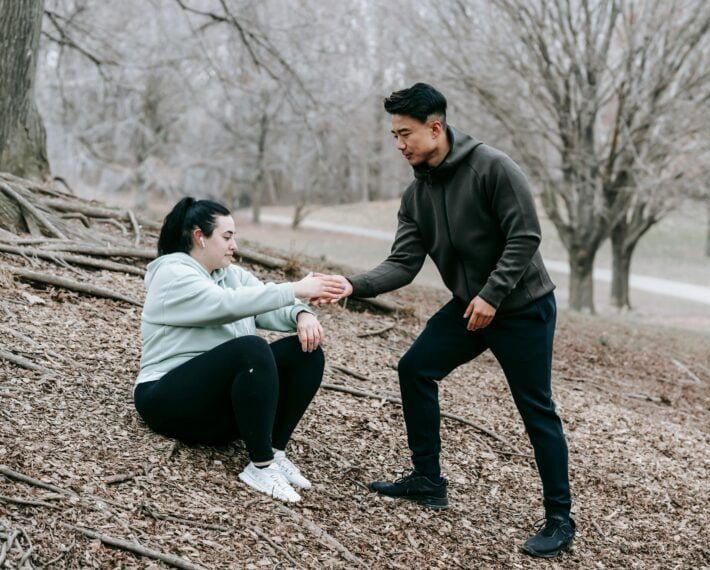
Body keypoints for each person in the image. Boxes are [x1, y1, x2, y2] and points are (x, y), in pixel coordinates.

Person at [327, 83, 574, 557]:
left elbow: (525, 236)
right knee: (415, 368)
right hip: (469, 306)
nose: (399, 145)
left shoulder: (494, 168)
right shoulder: (417, 195)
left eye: (406, 134)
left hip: (523, 308)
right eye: (394, 135)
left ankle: (560, 520)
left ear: (435, 128)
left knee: (535, 409)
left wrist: (492, 295)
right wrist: (351, 285)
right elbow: (402, 263)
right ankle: (427, 480)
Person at [135, 197, 346, 503]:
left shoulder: (229, 275)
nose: (234, 245)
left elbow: (264, 300)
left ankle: (273, 452)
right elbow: (224, 305)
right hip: (167, 401)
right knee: (251, 348)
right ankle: (259, 467)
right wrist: (296, 289)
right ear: (199, 237)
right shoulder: (173, 274)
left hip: (214, 411)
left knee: (306, 352)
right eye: (227, 236)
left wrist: (302, 314)